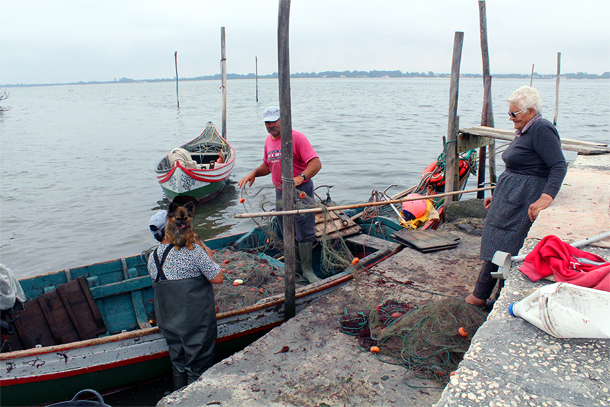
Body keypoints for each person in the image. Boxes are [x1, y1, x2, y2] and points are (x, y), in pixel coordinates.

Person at [466, 86, 567, 308]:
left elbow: (558, 165)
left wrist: (546, 197)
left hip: (524, 198)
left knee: (508, 246)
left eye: (514, 114)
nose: (511, 118)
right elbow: (517, 163)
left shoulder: (541, 128)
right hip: (510, 196)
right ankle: (485, 295)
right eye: (509, 113)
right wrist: (497, 194)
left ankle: (487, 297)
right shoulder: (526, 129)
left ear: (530, 111)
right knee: (496, 243)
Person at [238, 106, 322, 284]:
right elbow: (268, 166)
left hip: (301, 192)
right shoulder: (269, 141)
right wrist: (253, 173)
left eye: (274, 121)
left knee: (304, 230)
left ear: (283, 120)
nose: (270, 126)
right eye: (267, 122)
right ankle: (296, 267)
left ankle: (307, 270)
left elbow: (315, 163)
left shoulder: (297, 138)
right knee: (286, 228)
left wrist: (300, 178)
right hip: (280, 192)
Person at [147, 209, 223, 390]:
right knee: (198, 366)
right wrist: (209, 256)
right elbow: (217, 278)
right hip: (195, 324)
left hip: (169, 323)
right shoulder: (193, 251)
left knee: (179, 364)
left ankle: (178, 397)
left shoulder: (153, 257)